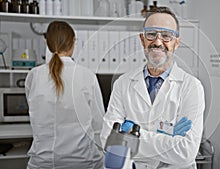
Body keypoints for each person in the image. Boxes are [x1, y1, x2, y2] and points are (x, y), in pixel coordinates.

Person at [100, 8, 205, 168]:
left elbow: (186, 152)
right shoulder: (123, 83)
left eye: (166, 36)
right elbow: (108, 139)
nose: (157, 42)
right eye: (151, 34)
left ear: (176, 43)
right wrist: (168, 139)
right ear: (142, 39)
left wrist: (132, 138)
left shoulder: (192, 86)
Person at [25, 21, 105, 169]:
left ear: (48, 43)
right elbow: (98, 124)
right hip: (82, 161)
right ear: (73, 42)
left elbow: (34, 110)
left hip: (42, 162)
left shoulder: (34, 75)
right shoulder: (87, 76)